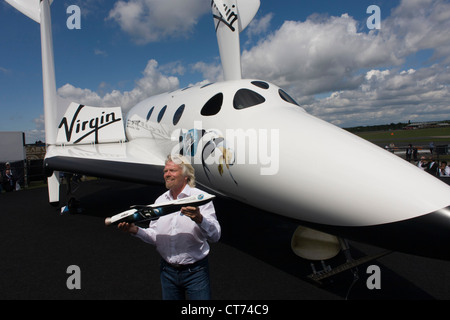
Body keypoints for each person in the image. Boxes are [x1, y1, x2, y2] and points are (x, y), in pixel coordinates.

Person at [117, 154, 221, 300]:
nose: (167, 175)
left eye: (172, 171)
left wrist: (200, 219)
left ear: (185, 175)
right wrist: (135, 230)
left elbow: (215, 236)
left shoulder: (200, 198)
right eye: (165, 171)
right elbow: (156, 236)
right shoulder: (160, 201)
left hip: (196, 272)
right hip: (167, 272)